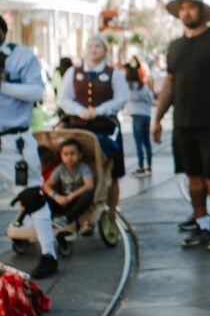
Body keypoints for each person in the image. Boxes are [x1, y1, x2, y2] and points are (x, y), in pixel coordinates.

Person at [153, 0, 210, 251]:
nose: (186, 12)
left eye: (191, 7)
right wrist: (157, 118)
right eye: (182, 8)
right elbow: (169, 84)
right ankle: (202, 223)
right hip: (183, 122)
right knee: (192, 176)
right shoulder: (175, 46)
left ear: (202, 11)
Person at [0, 14, 58, 278]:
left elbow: (37, 93)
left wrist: (4, 85)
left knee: (31, 196)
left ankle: (49, 254)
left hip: (14, 139)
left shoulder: (21, 56)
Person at [59, 34, 128, 217]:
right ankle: (79, 208)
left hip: (106, 126)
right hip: (79, 126)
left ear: (105, 50)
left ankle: (111, 212)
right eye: (90, 46)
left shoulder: (115, 74)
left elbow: (121, 99)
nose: (93, 49)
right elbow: (63, 99)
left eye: (97, 46)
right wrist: (80, 111)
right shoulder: (73, 73)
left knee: (113, 172)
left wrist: (99, 110)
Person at [41, 137, 95, 235]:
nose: (69, 157)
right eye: (66, 154)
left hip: (77, 200)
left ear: (80, 155)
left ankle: (66, 219)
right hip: (63, 200)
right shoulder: (60, 169)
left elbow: (89, 185)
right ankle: (49, 217)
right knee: (43, 194)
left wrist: (72, 196)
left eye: (72, 154)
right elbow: (46, 185)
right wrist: (56, 196)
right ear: (61, 156)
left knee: (89, 193)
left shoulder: (83, 168)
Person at [126, 63, 154, 176]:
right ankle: (149, 166)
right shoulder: (144, 87)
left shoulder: (128, 88)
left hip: (136, 116)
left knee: (138, 142)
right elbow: (150, 99)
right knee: (147, 141)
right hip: (146, 115)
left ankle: (141, 166)